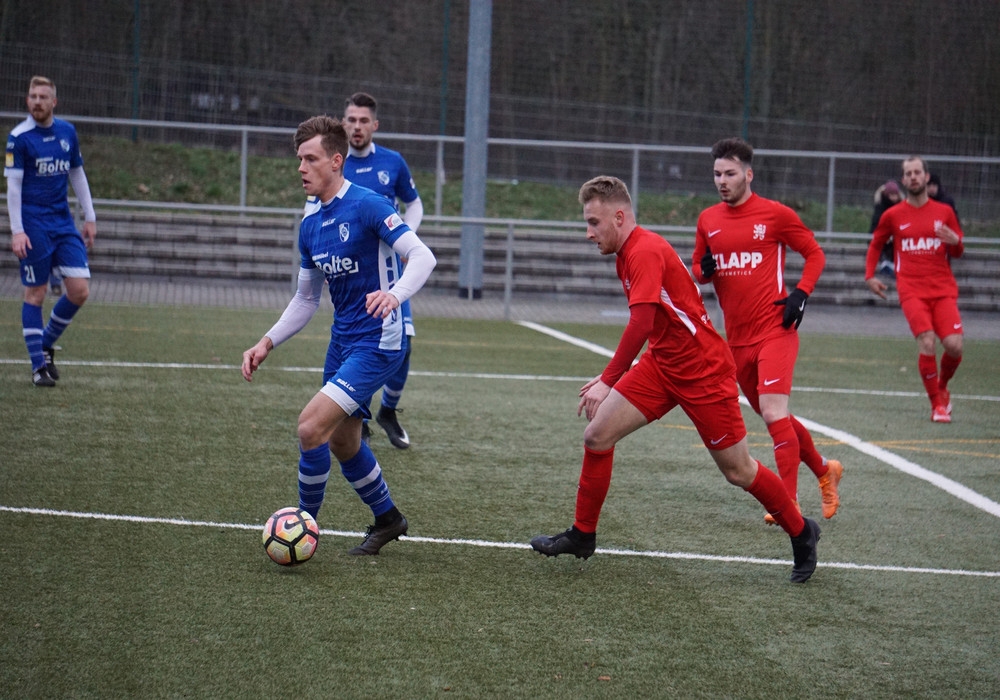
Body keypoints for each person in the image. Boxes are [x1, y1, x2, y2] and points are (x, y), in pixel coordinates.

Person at [530, 175, 821, 583]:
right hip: (663, 364)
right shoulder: (626, 253)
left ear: (619, 217)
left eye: (594, 222)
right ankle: (583, 535)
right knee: (597, 436)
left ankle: (802, 532)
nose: (588, 233)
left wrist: (608, 379)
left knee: (738, 471)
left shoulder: (644, 250)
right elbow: (654, 324)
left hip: (703, 371)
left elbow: (641, 321)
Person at [241, 115, 436, 554]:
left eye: (310, 159)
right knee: (343, 440)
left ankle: (301, 527)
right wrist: (267, 341)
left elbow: (423, 256)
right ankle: (388, 519)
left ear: (335, 161)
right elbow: (306, 298)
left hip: (379, 341)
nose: (301, 168)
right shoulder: (310, 224)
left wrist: (395, 295)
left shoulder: (368, 205)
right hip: (343, 341)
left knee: (310, 427)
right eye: (299, 159)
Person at [692, 137, 844, 525]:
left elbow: (815, 253)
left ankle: (787, 502)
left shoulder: (774, 214)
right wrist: (703, 272)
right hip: (737, 340)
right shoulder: (708, 220)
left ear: (748, 174)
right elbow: (697, 268)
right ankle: (825, 470)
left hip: (776, 329)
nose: (722, 181)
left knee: (775, 413)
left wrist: (801, 294)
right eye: (717, 174)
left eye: (729, 173)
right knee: (775, 417)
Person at [342, 91, 424, 449]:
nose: (357, 126)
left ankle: (387, 410)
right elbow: (315, 208)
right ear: (343, 123)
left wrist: (408, 238)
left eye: (364, 120)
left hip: (390, 271)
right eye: (351, 120)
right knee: (354, 343)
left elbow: (414, 204)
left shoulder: (392, 162)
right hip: (352, 273)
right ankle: (357, 416)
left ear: (374, 125)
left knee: (403, 341)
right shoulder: (334, 163)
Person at [4, 75, 96, 387]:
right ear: (27, 100)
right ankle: (37, 367)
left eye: (43, 97)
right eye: (32, 96)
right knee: (36, 292)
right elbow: (13, 188)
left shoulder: (67, 132)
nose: (37, 102)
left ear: (54, 102)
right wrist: (17, 231)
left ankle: (44, 344)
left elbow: (77, 174)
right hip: (33, 225)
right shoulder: (18, 138)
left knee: (79, 290)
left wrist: (90, 217)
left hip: (62, 222)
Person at [865, 156, 964, 423]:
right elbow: (876, 244)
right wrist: (869, 276)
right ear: (903, 179)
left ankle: (942, 387)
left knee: (954, 346)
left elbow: (957, 250)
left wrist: (956, 241)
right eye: (908, 173)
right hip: (911, 291)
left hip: (943, 290)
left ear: (926, 176)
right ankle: (937, 406)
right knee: (927, 341)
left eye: (917, 172)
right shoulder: (893, 215)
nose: (913, 177)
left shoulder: (944, 212)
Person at [871, 180, 903, 277]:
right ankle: (885, 262)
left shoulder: (901, 206)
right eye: (891, 195)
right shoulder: (880, 206)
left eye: (895, 195)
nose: (894, 198)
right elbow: (876, 223)